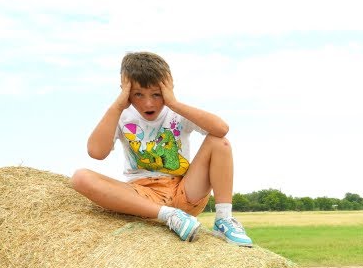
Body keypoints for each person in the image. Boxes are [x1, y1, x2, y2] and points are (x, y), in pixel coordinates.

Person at [71, 51, 253, 246]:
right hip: (143, 195)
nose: (148, 103)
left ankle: (223, 219)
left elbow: (221, 128)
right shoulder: (122, 116)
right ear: (126, 92)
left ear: (167, 89)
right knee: (80, 178)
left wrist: (174, 103)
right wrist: (117, 106)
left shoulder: (176, 113)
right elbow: (96, 152)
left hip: (185, 191)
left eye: (156, 94)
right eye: (138, 94)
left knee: (219, 142)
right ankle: (168, 216)